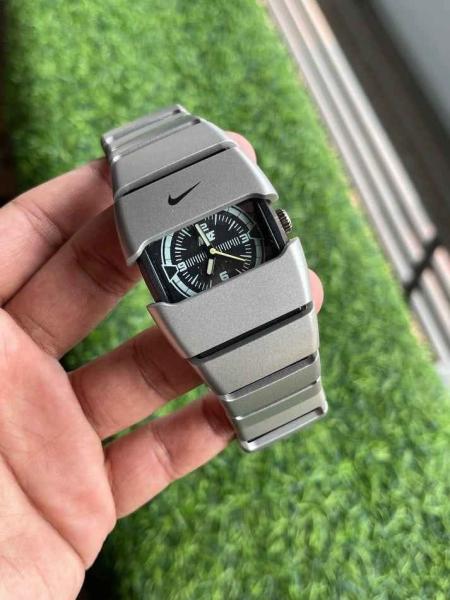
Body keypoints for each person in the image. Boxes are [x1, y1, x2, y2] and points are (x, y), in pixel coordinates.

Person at [0, 133, 323, 599]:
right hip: (211, 312)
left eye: (219, 244)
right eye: (199, 253)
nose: (212, 252)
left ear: (276, 225)